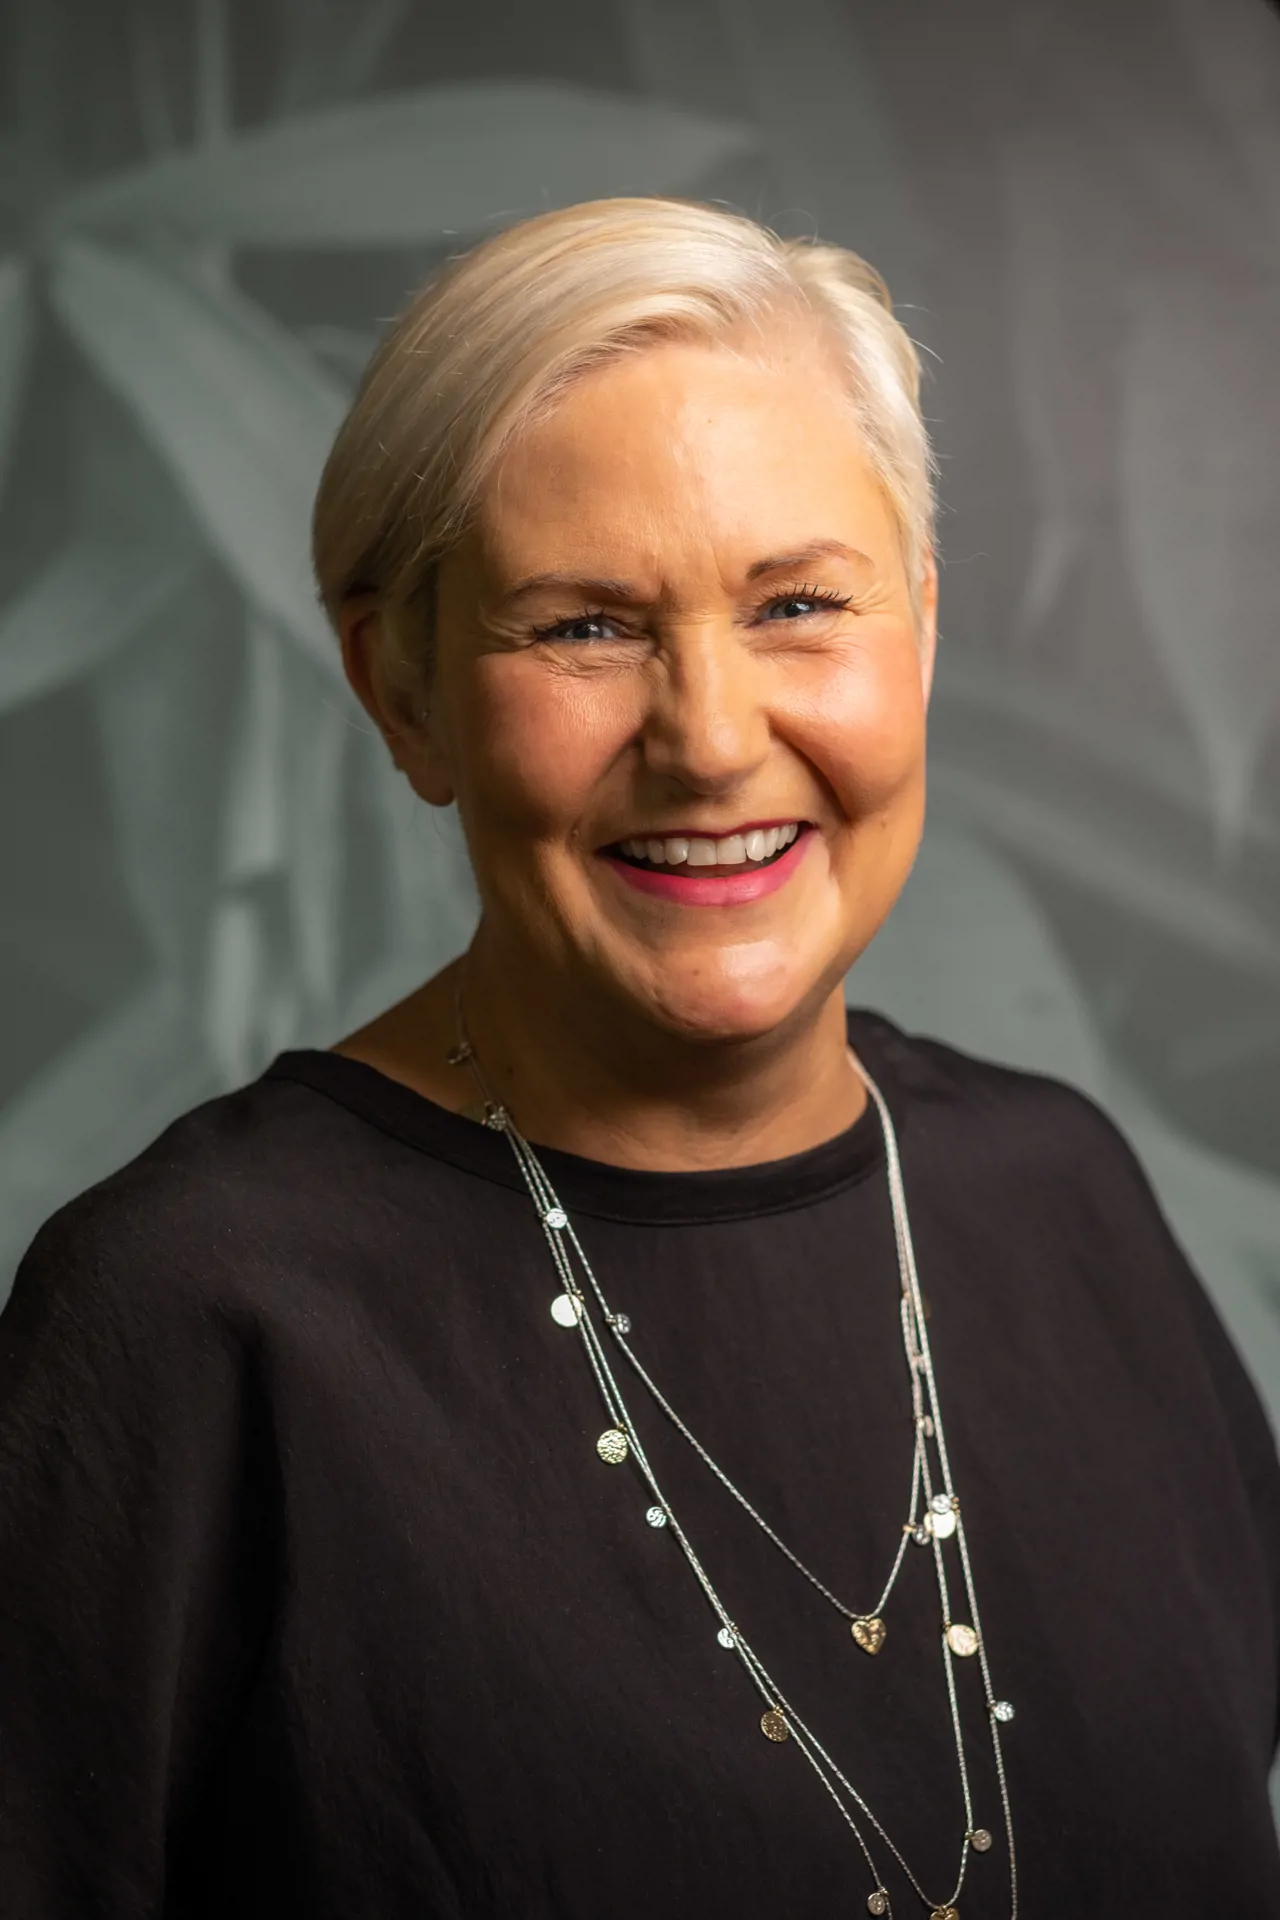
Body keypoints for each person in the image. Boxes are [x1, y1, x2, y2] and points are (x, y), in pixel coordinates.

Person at [1, 196, 1278, 1920]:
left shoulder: (1061, 1198)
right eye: (586, 626)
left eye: (800, 605)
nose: (711, 736)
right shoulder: (193, 1317)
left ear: (920, 626)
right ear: (406, 692)